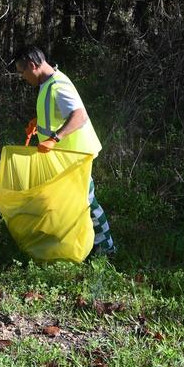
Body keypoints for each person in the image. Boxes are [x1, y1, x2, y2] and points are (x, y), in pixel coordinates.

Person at [15, 45, 115, 256]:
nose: (22, 77)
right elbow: (57, 112)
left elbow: (79, 115)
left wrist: (54, 139)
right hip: (64, 156)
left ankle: (107, 247)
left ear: (32, 65)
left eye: (22, 72)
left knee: (87, 200)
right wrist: (37, 122)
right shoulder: (47, 83)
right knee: (67, 201)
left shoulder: (58, 86)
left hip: (77, 155)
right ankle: (74, 242)